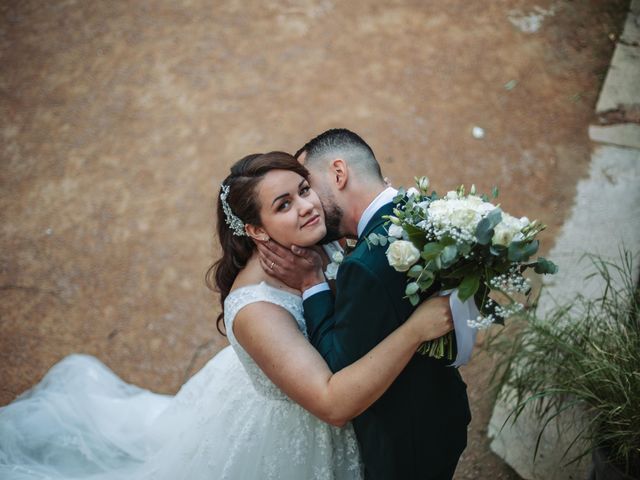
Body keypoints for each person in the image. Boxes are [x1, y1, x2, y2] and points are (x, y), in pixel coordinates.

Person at [0, 151, 454, 480]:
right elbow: (332, 405)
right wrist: (415, 330)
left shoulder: (313, 241)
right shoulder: (255, 311)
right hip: (296, 435)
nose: (307, 206)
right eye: (283, 205)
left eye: (302, 190)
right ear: (255, 230)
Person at [257, 130, 472, 480]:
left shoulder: (365, 266)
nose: (307, 204)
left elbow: (336, 371)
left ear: (339, 173)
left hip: (406, 444)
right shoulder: (423, 210)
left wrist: (312, 282)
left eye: (307, 187)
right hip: (443, 408)